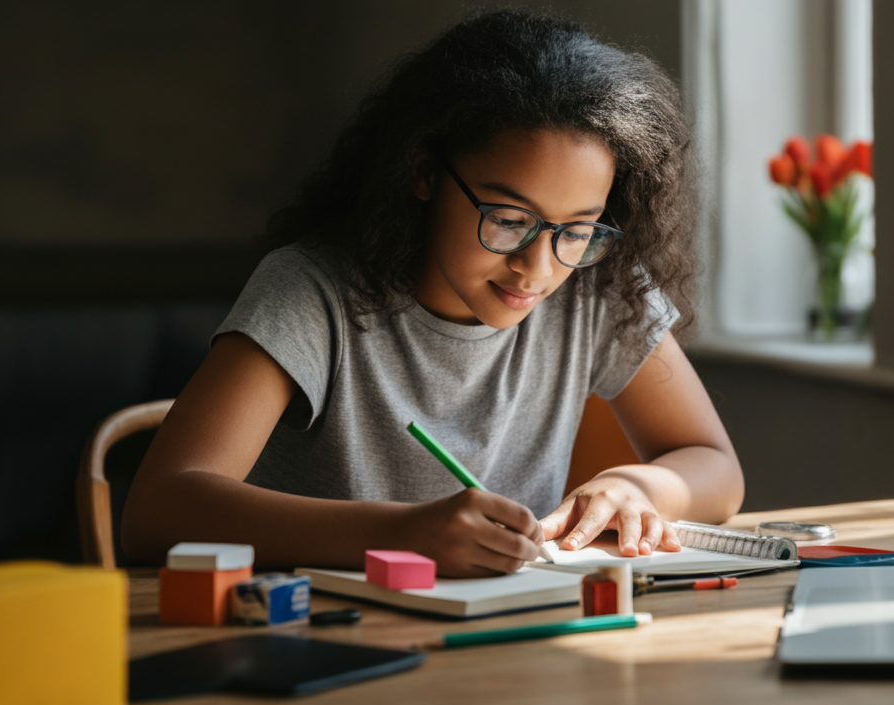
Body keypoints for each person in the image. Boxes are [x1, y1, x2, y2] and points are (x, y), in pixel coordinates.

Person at [121, 10, 743, 577]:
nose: (537, 266)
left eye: (577, 230)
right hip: (326, 642)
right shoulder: (314, 292)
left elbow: (713, 463)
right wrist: (401, 532)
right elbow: (159, 508)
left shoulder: (596, 286)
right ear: (423, 173)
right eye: (507, 219)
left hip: (503, 642)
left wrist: (640, 488)